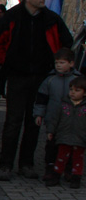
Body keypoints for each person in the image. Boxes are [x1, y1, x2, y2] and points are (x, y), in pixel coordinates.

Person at [0, 0, 73, 180]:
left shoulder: (52, 19)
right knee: (13, 122)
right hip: (17, 77)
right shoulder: (12, 17)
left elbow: (66, 43)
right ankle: (5, 165)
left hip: (42, 78)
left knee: (34, 122)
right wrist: (7, 63)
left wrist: (57, 65)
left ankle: (26, 164)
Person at [38, 50, 82, 184]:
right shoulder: (50, 79)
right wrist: (39, 114)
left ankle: (69, 170)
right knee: (52, 146)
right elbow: (41, 99)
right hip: (54, 119)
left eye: (62, 63)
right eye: (56, 63)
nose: (58, 65)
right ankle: (51, 169)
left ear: (71, 63)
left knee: (72, 147)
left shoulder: (78, 80)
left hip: (74, 122)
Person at [44, 76, 86, 189]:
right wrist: (51, 131)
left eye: (77, 90)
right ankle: (56, 176)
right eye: (71, 90)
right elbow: (54, 119)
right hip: (64, 135)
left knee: (78, 159)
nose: (73, 93)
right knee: (61, 157)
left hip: (80, 138)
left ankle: (76, 178)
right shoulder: (63, 105)